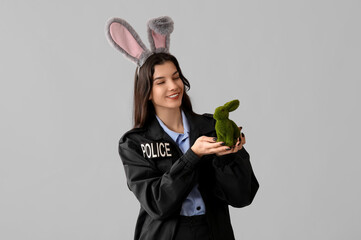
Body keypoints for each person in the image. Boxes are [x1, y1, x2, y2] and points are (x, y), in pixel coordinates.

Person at [106, 16, 259, 240]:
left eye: (176, 77)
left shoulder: (211, 127)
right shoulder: (134, 144)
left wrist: (230, 158)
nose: (173, 86)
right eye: (161, 82)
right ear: (147, 92)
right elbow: (158, 203)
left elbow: (242, 197)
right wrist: (193, 156)